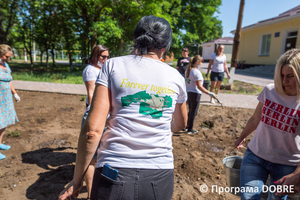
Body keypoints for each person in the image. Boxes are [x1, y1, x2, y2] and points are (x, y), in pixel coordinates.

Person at [58, 15, 187, 200]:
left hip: (113, 173)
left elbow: (92, 131)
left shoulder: (113, 65)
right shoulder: (176, 77)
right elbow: (181, 123)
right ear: (165, 47)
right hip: (160, 175)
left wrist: (76, 180)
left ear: (135, 40)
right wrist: (167, 128)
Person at [234, 49, 300, 200]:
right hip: (256, 156)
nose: (284, 81)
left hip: (286, 165)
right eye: (281, 76)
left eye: (290, 76)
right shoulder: (270, 91)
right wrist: (241, 138)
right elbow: (255, 119)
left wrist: (296, 174)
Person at [81, 44, 109, 199]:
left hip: (105, 114)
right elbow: (92, 95)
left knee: (99, 155)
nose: (105, 59)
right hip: (97, 114)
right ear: (95, 55)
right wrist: (97, 117)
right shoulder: (90, 70)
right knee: (91, 158)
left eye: (107, 56)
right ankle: (92, 194)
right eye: (102, 56)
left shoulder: (101, 69)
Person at [185, 55, 217, 134]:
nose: (202, 64)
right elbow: (199, 86)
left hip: (188, 93)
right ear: (197, 62)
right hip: (195, 94)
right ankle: (189, 129)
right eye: (201, 62)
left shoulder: (188, 70)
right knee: (193, 112)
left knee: (191, 111)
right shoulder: (196, 72)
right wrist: (209, 93)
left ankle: (187, 126)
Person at [0, 44, 21, 160]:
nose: (8, 59)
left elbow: (9, 81)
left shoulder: (5, 66)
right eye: (6, 56)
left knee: (4, 123)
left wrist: (15, 93)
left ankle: (0, 143)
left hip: (6, 99)